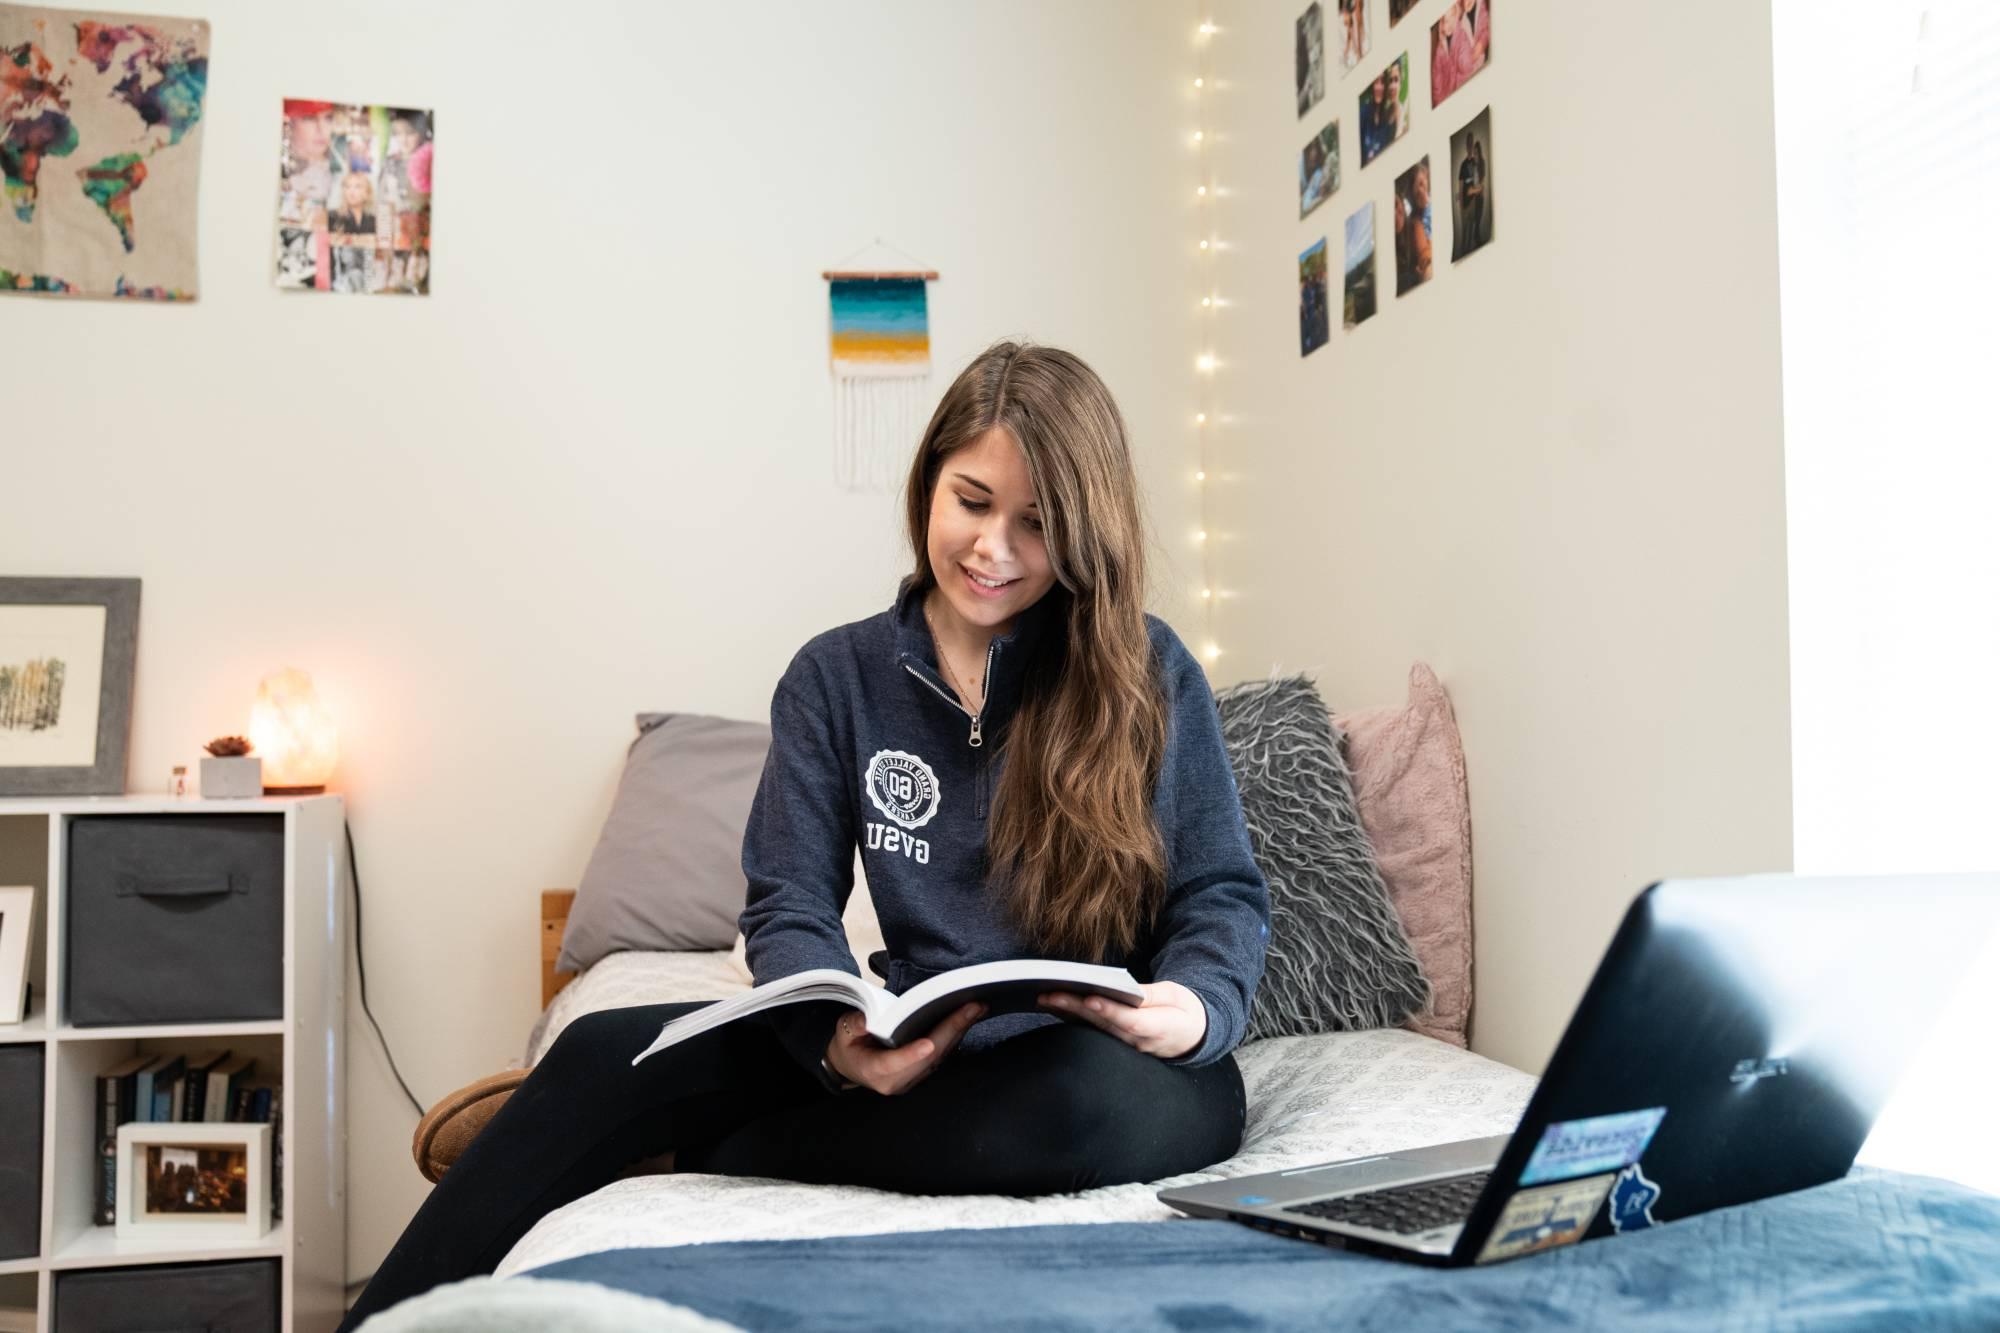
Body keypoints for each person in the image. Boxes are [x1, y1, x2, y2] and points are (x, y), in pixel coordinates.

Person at [336, 341, 1272, 1330]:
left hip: (1085, 1060)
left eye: (1035, 525)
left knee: (1081, 1110)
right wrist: (834, 1042)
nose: (992, 548)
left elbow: (1219, 891)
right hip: (910, 1047)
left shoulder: (1148, 667)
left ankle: (700, 1148)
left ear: (1083, 534)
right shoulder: (834, 677)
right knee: (611, 1047)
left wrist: (1194, 1006)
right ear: (926, 486)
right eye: (970, 500)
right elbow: (785, 902)